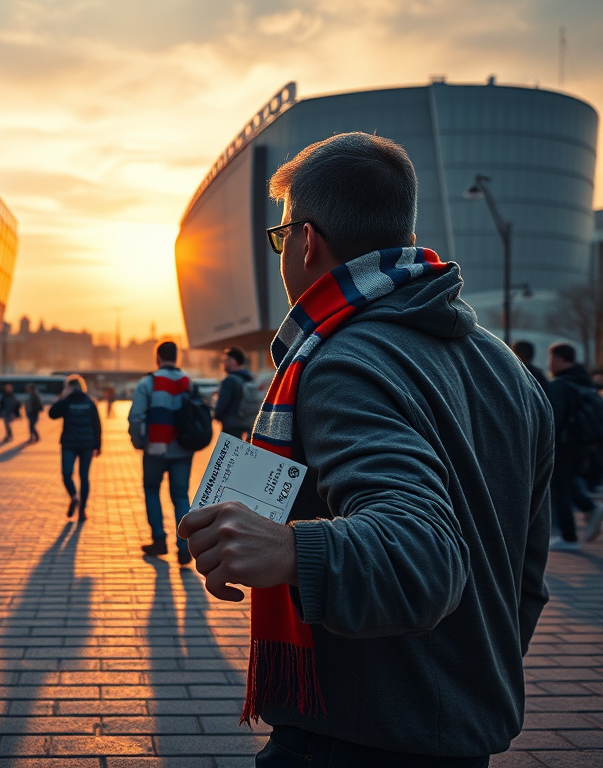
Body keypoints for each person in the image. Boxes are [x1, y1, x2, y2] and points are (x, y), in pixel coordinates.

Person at [177, 132, 552, 766]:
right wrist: (461, 679)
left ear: (304, 240)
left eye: (279, 238)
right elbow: (527, 577)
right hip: (462, 729)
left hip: (352, 738)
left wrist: (291, 548)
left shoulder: (343, 362)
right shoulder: (506, 369)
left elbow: (426, 554)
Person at [128, 340, 195, 566]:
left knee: (151, 491)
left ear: (157, 357)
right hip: (183, 449)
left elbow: (136, 417)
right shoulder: (188, 382)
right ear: (177, 357)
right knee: (180, 496)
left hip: (155, 449)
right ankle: (184, 549)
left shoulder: (148, 383)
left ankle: (159, 540)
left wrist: (139, 443)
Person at [545, 341, 603, 548]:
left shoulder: (560, 385)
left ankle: (569, 537)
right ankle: (589, 507)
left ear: (559, 359)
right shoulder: (584, 381)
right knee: (568, 481)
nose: (549, 363)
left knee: (559, 486)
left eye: (550, 358)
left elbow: (555, 418)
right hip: (583, 443)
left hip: (564, 443)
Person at [48, 374, 102, 520]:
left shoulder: (66, 402)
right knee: (84, 477)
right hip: (87, 445)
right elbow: (97, 425)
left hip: (69, 445)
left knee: (67, 475)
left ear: (68, 388)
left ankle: (74, 496)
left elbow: (52, 414)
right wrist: (98, 445)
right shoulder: (90, 402)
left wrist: (61, 398)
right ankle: (82, 510)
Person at [212, 346, 255, 440]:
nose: (223, 363)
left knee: (228, 452)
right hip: (245, 421)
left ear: (233, 361)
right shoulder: (248, 378)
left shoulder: (229, 380)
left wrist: (215, 415)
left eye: (225, 360)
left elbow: (223, 403)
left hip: (231, 425)